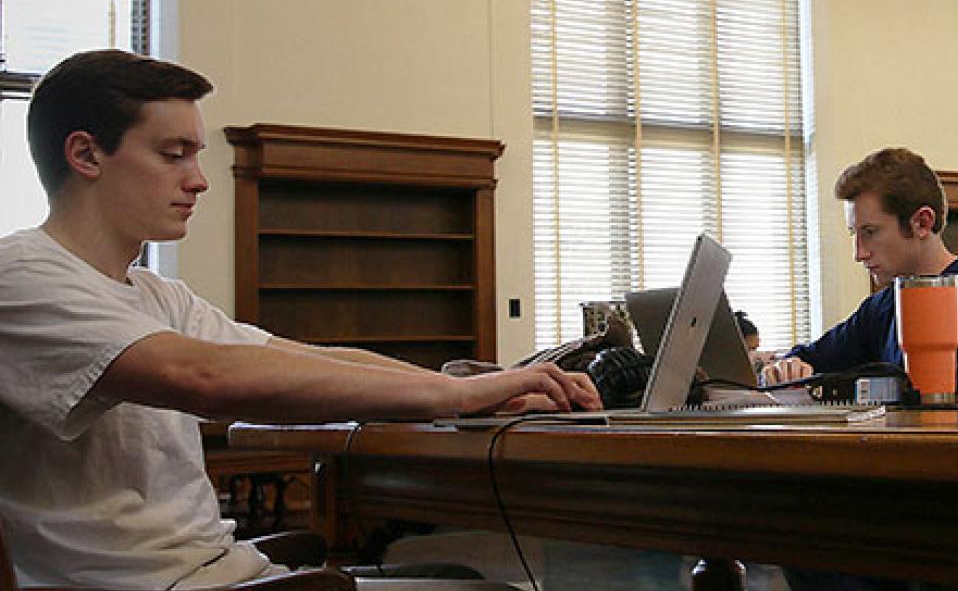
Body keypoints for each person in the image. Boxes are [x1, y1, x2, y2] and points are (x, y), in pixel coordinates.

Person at [0, 50, 601, 589]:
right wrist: (455, 395)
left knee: (455, 577)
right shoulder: (21, 276)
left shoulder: (158, 296)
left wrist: (465, 391)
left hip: (221, 572)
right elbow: (203, 377)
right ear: (85, 154)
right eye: (172, 154)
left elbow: (303, 359)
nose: (200, 179)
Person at [760, 147, 958, 392]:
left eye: (870, 232)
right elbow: (811, 358)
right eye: (855, 234)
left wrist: (918, 387)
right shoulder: (880, 308)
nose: (859, 254)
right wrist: (786, 367)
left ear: (922, 223)